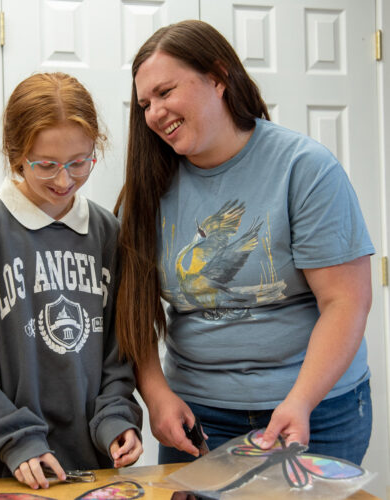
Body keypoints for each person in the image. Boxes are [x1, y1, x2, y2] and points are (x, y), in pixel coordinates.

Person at [114, 20, 373, 466]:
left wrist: (301, 400)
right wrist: (156, 397)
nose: (154, 112)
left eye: (166, 91)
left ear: (218, 77)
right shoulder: (146, 192)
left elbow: (345, 302)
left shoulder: (305, 169)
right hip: (200, 418)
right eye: (144, 103)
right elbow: (134, 312)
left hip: (318, 408)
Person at [0, 72, 142, 490]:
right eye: (46, 165)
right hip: (11, 476)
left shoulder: (106, 233)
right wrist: (17, 439)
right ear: (15, 155)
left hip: (95, 475)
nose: (64, 181)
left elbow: (120, 355)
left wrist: (117, 421)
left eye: (80, 162)